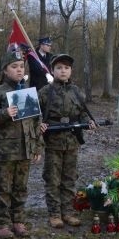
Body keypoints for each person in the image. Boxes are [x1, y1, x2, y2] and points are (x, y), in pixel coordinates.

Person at [0, 50, 43, 239]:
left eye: (21, 66)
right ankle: (1, 223)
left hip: (25, 149)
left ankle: (18, 220)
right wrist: (4, 113)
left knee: (21, 187)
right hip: (5, 151)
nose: (18, 70)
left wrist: (36, 146)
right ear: (5, 70)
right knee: (3, 188)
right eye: (14, 67)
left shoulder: (27, 92)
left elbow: (36, 122)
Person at [38, 53, 96, 228]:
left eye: (66, 68)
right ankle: (55, 214)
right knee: (53, 179)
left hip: (72, 141)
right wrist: (39, 125)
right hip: (53, 141)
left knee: (69, 178)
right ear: (53, 70)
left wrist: (89, 122)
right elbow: (33, 114)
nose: (63, 71)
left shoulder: (76, 92)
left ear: (71, 71)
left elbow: (83, 112)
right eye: (59, 68)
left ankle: (68, 212)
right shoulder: (45, 92)